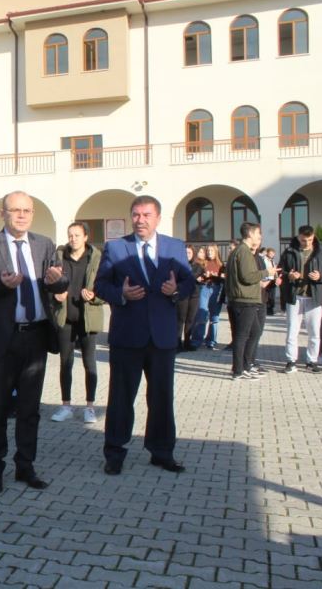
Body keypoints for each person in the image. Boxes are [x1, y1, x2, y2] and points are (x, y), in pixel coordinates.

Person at [0, 191, 67, 493]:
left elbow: (60, 282)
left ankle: (26, 466)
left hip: (35, 338)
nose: (22, 215)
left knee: (29, 409)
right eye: (15, 210)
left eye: (27, 210)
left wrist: (56, 281)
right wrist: (0, 284)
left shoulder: (44, 244)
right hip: (2, 340)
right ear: (2, 214)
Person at [94, 195, 194, 476]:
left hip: (162, 337)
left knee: (162, 397)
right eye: (136, 215)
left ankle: (162, 452)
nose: (140, 220)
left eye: (146, 215)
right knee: (121, 398)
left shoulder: (174, 247)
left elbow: (189, 282)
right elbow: (100, 285)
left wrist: (176, 290)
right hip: (127, 336)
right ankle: (114, 453)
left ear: (158, 218)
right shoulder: (116, 248)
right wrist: (120, 295)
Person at [50, 222, 104, 424]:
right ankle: (66, 405)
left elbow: (105, 288)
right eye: (70, 235)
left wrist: (94, 296)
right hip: (66, 318)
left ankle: (90, 407)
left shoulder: (96, 258)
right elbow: (48, 283)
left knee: (90, 364)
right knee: (66, 363)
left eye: (77, 235)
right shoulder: (60, 257)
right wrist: (55, 294)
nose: (73, 239)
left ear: (86, 237)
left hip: (88, 319)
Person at [279, 225, 322, 373]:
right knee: (292, 330)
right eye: (304, 240)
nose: (307, 243)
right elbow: (281, 271)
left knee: (314, 331)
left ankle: (312, 361)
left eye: (309, 240)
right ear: (298, 237)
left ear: (313, 236)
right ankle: (291, 361)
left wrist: (321, 276)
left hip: (314, 297)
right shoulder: (289, 252)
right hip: (295, 296)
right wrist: (289, 275)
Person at [224, 222, 266, 381]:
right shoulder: (244, 252)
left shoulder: (238, 251)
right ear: (250, 234)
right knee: (241, 336)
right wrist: (265, 272)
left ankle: (246, 365)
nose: (260, 237)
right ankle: (238, 371)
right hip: (244, 300)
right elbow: (248, 277)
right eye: (258, 234)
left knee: (254, 332)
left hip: (242, 299)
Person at [191, 244, 223, 349]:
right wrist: (202, 277)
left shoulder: (221, 264)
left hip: (216, 289)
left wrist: (217, 275)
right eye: (208, 251)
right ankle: (197, 340)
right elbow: (197, 275)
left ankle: (211, 341)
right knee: (201, 314)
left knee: (214, 317)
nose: (209, 253)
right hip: (204, 288)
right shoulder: (203, 263)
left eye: (212, 251)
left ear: (216, 252)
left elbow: (224, 277)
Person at [175, 245, 203, 352]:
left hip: (194, 294)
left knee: (190, 319)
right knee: (180, 319)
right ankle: (177, 343)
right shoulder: (179, 265)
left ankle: (187, 342)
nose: (187, 255)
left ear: (193, 254)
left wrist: (186, 276)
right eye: (186, 253)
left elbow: (193, 275)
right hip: (182, 294)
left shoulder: (198, 265)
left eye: (190, 253)